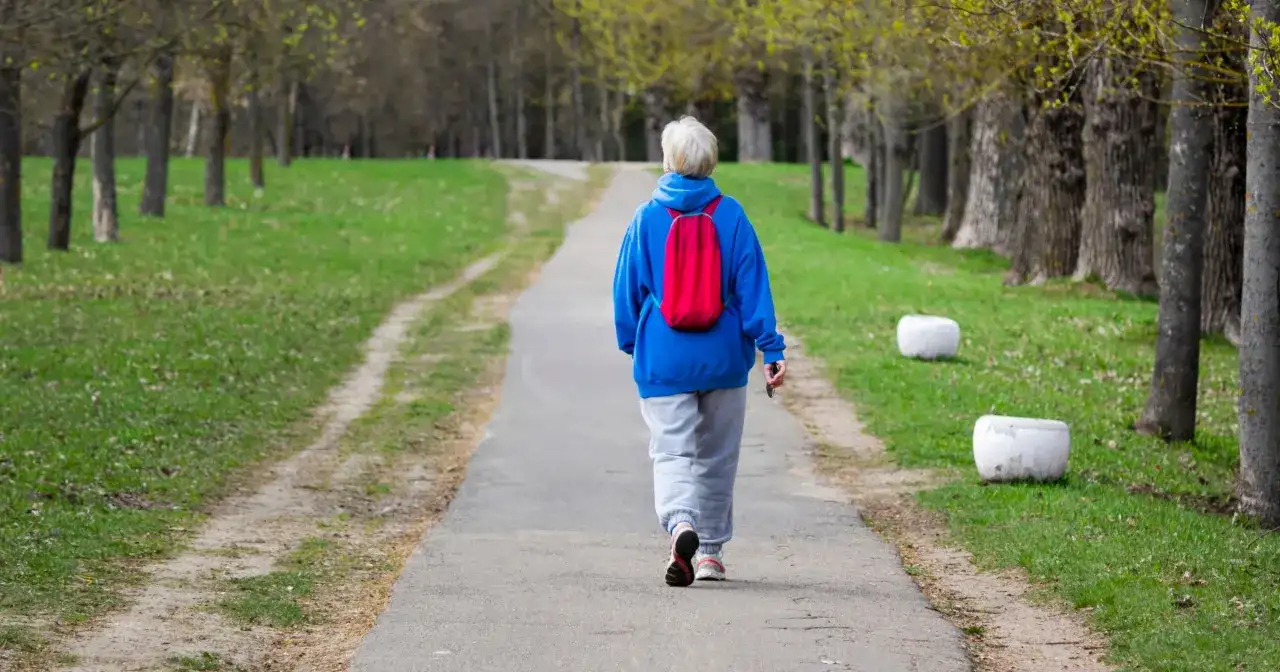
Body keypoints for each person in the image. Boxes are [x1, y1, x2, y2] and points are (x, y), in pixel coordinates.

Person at [612, 116, 787, 587]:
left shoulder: (646, 217)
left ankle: (680, 524)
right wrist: (771, 347)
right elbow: (753, 288)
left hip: (664, 358)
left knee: (671, 452)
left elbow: (627, 290)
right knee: (717, 457)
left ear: (668, 161)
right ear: (711, 162)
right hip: (724, 359)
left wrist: (633, 342)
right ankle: (709, 553)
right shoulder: (732, 216)